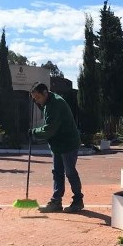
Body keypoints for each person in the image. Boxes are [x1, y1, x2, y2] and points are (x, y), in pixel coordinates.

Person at [29, 82, 84, 213]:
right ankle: (56, 201)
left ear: (45, 93)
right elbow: (50, 125)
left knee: (70, 173)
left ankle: (78, 201)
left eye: (37, 97)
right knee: (57, 172)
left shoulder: (56, 104)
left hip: (68, 143)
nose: (36, 101)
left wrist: (34, 132)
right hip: (57, 144)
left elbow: (50, 128)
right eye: (34, 98)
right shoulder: (47, 103)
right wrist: (38, 104)